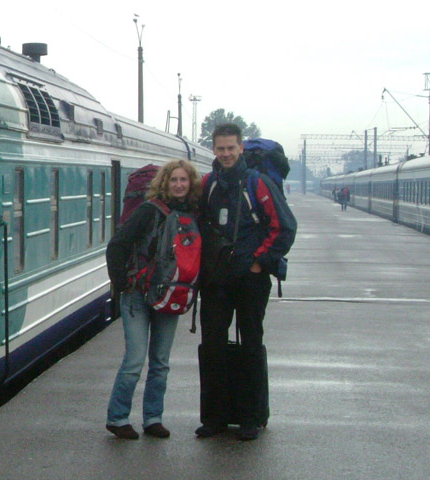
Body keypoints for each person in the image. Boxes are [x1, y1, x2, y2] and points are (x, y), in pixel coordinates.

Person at [196, 123, 296, 441]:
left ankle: (251, 418)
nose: (225, 154)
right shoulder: (208, 184)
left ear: (240, 148)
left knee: (251, 344)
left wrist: (259, 262)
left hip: (250, 278)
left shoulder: (258, 183)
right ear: (214, 149)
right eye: (220, 148)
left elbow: (285, 227)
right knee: (212, 346)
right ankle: (214, 418)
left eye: (231, 148)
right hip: (216, 279)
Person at [104, 159, 202, 440]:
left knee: (160, 362)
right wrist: (121, 283)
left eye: (184, 180)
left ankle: (153, 419)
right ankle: (118, 417)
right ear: (164, 183)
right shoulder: (149, 211)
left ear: (190, 183)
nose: (179, 185)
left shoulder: (193, 214)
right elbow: (117, 246)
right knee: (135, 360)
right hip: (137, 294)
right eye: (174, 180)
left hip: (170, 292)